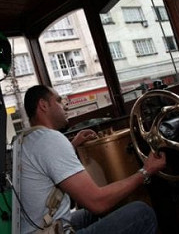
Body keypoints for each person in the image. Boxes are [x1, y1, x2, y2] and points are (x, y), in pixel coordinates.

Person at [18, 85, 166, 234]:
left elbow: (46, 161)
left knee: (103, 210)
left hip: (42, 227)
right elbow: (97, 202)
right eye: (58, 101)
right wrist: (146, 171)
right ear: (43, 105)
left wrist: (73, 144)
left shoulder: (27, 140)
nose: (64, 106)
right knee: (142, 214)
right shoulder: (50, 140)